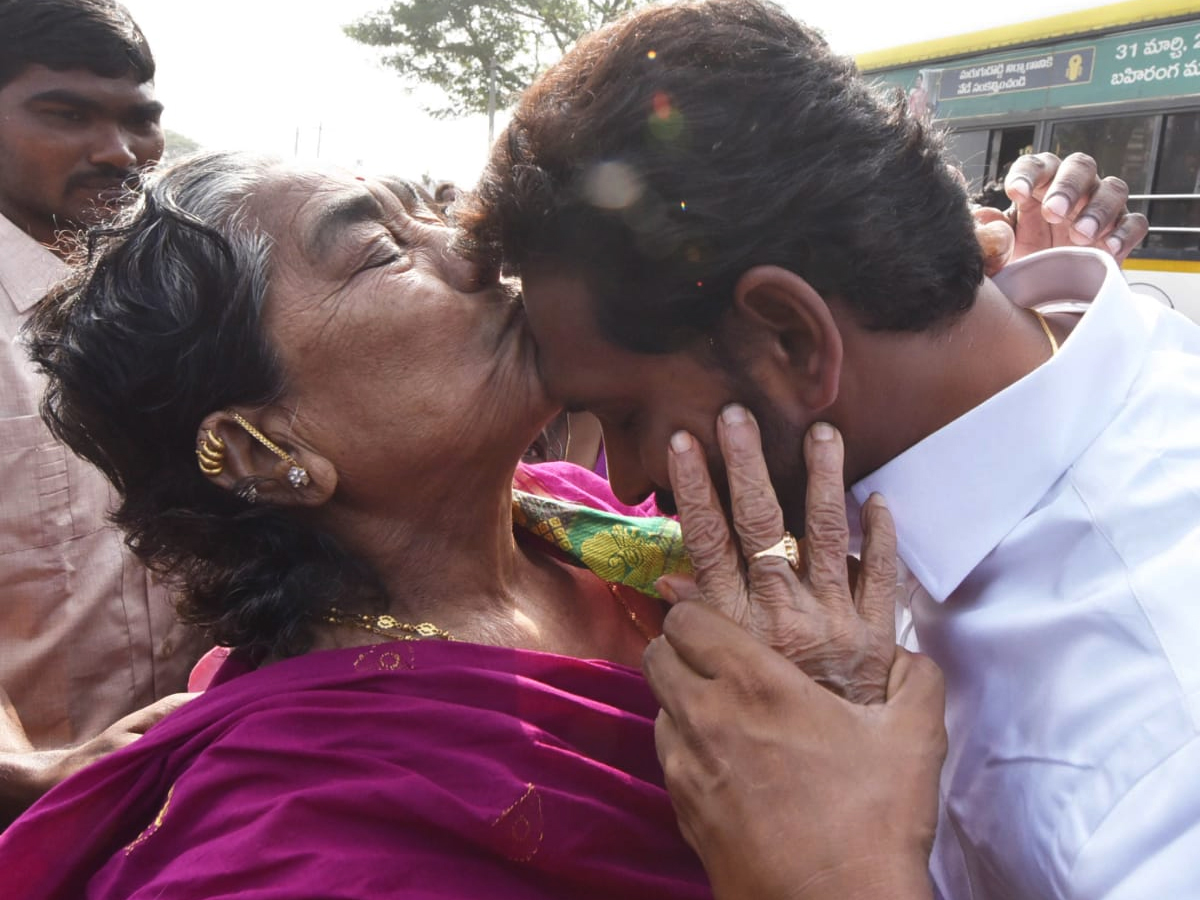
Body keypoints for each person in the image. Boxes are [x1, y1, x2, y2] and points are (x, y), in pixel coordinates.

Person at [464, 0, 1195, 897]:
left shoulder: (1160, 731)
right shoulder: (926, 426)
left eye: (622, 414)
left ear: (792, 340)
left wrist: (827, 874)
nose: (628, 481)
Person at [0, 149, 705, 896]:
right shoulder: (289, 841)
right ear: (260, 454)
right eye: (381, 253)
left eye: (431, 214)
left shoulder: (579, 515)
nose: (473, 248)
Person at [0, 0, 202, 824]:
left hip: (200, 799)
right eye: (67, 115)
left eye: (139, 120)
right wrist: (29, 771)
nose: (118, 152)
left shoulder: (189, 303)